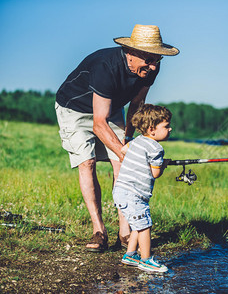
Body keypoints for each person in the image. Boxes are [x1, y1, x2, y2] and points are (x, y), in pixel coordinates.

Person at [55, 24, 179, 252]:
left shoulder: (151, 67)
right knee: (87, 162)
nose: (153, 66)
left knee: (122, 161)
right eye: (149, 59)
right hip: (74, 108)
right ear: (131, 53)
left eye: (157, 60)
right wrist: (128, 151)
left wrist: (129, 139)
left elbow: (137, 104)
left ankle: (124, 231)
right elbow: (98, 123)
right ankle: (99, 230)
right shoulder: (106, 67)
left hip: (111, 108)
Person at [113, 104, 172, 273]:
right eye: (166, 126)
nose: (170, 129)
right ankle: (146, 260)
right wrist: (163, 164)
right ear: (152, 129)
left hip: (121, 191)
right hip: (134, 194)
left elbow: (124, 150)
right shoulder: (156, 148)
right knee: (145, 226)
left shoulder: (137, 140)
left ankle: (130, 255)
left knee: (138, 224)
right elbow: (155, 174)